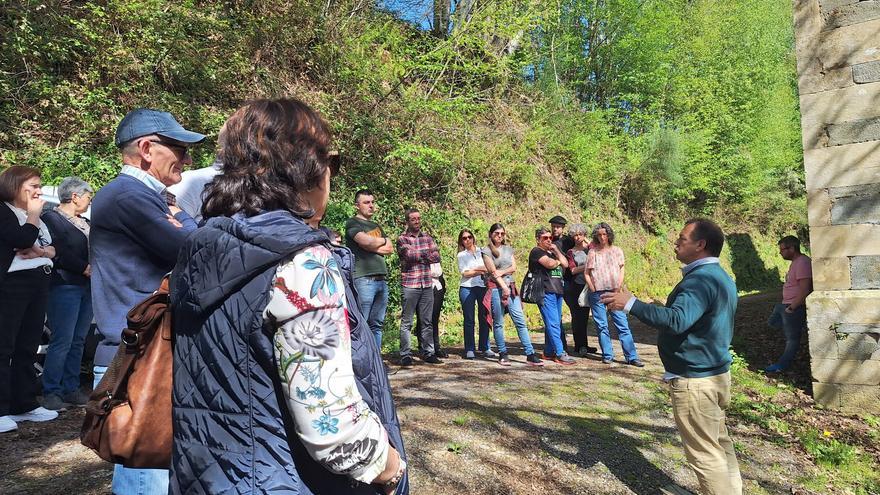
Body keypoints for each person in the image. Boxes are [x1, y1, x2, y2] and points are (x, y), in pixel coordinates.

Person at [170, 98, 408, 494]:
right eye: (330, 162)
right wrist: (391, 471)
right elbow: (331, 426)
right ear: (307, 168)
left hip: (208, 475)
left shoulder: (202, 245)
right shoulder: (302, 263)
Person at [90, 108, 205, 494]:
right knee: (147, 471)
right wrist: (184, 220)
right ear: (146, 148)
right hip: (141, 356)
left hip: (150, 351)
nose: (187, 160)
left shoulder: (140, 196)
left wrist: (177, 215)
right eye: (178, 148)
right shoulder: (128, 196)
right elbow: (195, 251)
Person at [602, 219, 742, 495]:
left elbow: (677, 320)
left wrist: (631, 304)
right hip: (714, 375)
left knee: (704, 454)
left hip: (695, 381)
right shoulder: (720, 276)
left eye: (682, 238)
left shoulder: (701, 279)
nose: (676, 242)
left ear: (701, 245)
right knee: (718, 444)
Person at [0, 166, 58, 433]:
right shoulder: (5, 211)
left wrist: (41, 250)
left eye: (39, 185)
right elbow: (22, 239)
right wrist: (33, 216)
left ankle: (23, 404)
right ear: (15, 185)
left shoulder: (36, 217)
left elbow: (52, 247)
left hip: (39, 281)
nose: (38, 191)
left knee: (28, 344)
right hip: (12, 284)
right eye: (33, 185)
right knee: (5, 346)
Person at [40, 177, 94, 410]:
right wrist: (83, 267)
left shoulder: (85, 221)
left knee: (78, 339)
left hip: (86, 286)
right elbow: (56, 251)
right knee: (62, 339)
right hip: (65, 284)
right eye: (88, 196)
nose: (89, 201)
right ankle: (51, 390)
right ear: (75, 196)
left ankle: (71, 387)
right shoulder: (51, 219)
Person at [481, 223, 544, 366]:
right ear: (491, 234)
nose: (499, 236)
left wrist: (503, 273)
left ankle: (530, 353)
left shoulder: (508, 249)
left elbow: (513, 267)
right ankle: (503, 353)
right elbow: (492, 272)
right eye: (497, 233)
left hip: (511, 286)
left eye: (502, 233)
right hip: (497, 289)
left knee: (520, 321)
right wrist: (504, 287)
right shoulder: (486, 251)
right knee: (498, 323)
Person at [585, 222, 643, 367]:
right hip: (597, 292)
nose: (602, 237)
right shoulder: (593, 252)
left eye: (604, 234)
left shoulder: (617, 250)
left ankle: (631, 356)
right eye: (599, 235)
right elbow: (587, 272)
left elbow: (622, 269)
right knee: (601, 325)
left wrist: (618, 286)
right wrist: (592, 288)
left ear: (609, 235)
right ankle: (607, 354)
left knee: (622, 324)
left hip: (614, 291)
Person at [345, 189, 395, 351]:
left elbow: (389, 249)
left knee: (377, 325)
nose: (371, 205)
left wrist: (372, 244)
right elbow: (364, 241)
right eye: (366, 202)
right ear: (357, 205)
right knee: (362, 323)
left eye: (372, 202)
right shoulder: (353, 223)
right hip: (363, 279)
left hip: (381, 281)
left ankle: (376, 364)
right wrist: (381, 240)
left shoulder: (376, 226)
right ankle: (361, 364)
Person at [396, 208, 442, 366]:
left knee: (426, 321)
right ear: (407, 222)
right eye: (413, 219)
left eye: (418, 218)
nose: (417, 221)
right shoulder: (402, 239)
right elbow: (408, 256)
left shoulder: (427, 237)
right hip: (410, 284)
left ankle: (428, 352)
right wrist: (425, 255)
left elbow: (436, 256)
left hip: (426, 284)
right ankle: (406, 354)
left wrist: (419, 255)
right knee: (407, 322)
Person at [765, 235, 813, 373]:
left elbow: (805, 289)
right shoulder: (796, 262)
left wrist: (792, 308)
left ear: (792, 248)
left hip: (793, 307)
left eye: (782, 249)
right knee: (772, 323)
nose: (780, 252)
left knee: (792, 340)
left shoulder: (803, 262)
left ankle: (781, 365)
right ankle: (794, 332)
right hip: (784, 305)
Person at [529, 227, 575, 365]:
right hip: (544, 291)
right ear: (538, 239)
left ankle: (549, 352)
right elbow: (549, 264)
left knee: (555, 322)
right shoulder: (536, 251)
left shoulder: (553, 252)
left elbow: (566, 264)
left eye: (550, 237)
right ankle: (560, 353)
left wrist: (556, 251)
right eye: (545, 238)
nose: (549, 240)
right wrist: (558, 261)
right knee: (553, 322)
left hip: (557, 291)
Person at [456, 229, 492, 361]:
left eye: (469, 237)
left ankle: (485, 346)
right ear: (461, 241)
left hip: (482, 286)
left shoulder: (482, 251)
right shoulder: (461, 255)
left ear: (473, 237)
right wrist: (480, 269)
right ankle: (470, 348)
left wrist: (474, 270)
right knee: (469, 319)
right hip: (467, 288)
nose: (467, 240)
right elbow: (465, 273)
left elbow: (489, 268)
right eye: (464, 238)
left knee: (484, 316)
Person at [563, 223, 598, 357]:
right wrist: (587, 266)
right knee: (578, 317)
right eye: (575, 235)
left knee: (585, 317)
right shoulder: (571, 252)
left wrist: (587, 242)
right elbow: (572, 270)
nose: (577, 237)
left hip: (591, 284)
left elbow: (595, 247)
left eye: (580, 234)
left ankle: (584, 345)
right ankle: (579, 346)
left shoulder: (590, 249)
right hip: (577, 286)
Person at [415, 261, 449, 358]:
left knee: (434, 318)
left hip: (437, 287)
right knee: (422, 318)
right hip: (422, 286)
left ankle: (436, 347)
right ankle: (422, 347)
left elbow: (438, 272)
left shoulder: (434, 254)